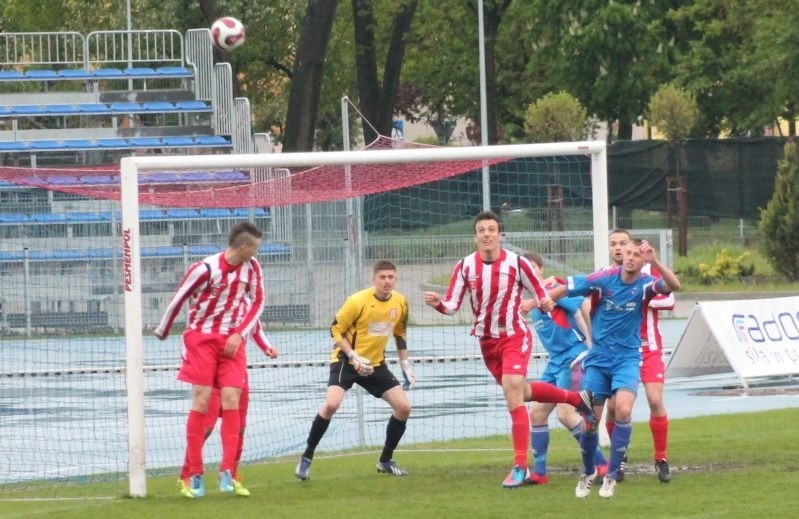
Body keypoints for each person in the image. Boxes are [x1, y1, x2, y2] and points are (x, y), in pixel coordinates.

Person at [423, 210, 595, 489]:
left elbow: (540, 293)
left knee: (513, 392)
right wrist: (438, 304)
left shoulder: (518, 263)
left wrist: (547, 303)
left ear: (500, 234)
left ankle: (519, 466)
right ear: (475, 236)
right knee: (521, 391)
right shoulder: (465, 267)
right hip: (487, 342)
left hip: (515, 336)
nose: (487, 234)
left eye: (492, 229)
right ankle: (577, 400)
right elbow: (452, 305)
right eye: (482, 230)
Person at [548, 238, 680, 499]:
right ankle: (593, 469)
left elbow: (673, 289)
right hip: (599, 359)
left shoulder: (645, 285)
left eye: (633, 252)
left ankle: (621, 470)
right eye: (622, 249)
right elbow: (570, 286)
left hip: (633, 356)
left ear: (642, 259)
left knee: (627, 407)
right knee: (591, 421)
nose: (627, 255)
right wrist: (539, 301)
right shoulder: (603, 278)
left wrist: (654, 261)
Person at [155, 221, 265, 498]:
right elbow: (179, 298)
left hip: (231, 341)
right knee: (202, 402)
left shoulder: (252, 269)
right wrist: (163, 329)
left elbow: (258, 303)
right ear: (243, 247)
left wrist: (240, 333)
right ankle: (194, 474)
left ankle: (228, 471)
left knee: (232, 401)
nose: (256, 254)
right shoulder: (205, 269)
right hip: (202, 339)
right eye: (254, 248)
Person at [295, 260, 415, 480]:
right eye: (382, 277)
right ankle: (307, 457)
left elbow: (400, 333)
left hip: (375, 364)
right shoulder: (357, 301)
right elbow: (335, 329)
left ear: (395, 279)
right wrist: (352, 355)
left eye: (391, 277)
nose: (387, 281)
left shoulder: (400, 302)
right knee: (331, 404)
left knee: (404, 407)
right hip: (346, 360)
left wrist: (405, 365)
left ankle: (385, 461)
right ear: (374, 279)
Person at [519, 252, 609, 485]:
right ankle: (539, 473)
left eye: (533, 268)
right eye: (524, 270)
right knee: (537, 414)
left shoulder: (553, 288)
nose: (529, 273)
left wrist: (595, 344)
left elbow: (584, 304)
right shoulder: (527, 299)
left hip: (573, 357)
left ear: (539, 269)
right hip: (555, 362)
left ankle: (602, 465)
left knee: (565, 414)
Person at [604, 229, 676, 483]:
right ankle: (619, 457)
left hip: (649, 348)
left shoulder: (648, 276)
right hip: (619, 352)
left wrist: (637, 298)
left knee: (655, 400)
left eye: (623, 243)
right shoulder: (606, 276)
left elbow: (669, 301)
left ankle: (661, 458)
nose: (619, 249)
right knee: (614, 407)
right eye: (613, 244)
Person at [178, 322, 278, 498]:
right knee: (206, 428)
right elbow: (190, 333)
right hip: (211, 374)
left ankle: (231, 474)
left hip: (236, 372)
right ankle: (187, 475)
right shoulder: (209, 306)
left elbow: (255, 328)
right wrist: (191, 359)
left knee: (240, 427)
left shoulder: (248, 304)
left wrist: (267, 347)